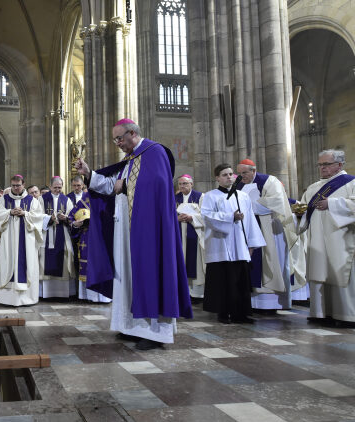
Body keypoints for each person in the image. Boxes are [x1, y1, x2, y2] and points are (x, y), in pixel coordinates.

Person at [75, 118, 192, 350]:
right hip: (126, 230)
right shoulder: (130, 160)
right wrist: (89, 173)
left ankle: (155, 332)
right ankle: (132, 326)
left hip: (148, 231)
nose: (117, 143)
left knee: (150, 273)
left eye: (119, 138)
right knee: (127, 277)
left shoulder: (154, 152)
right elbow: (111, 186)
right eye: (114, 139)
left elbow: (157, 184)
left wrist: (126, 185)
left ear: (132, 133)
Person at [295, 150, 355, 326]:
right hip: (318, 241)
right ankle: (321, 313)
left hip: (341, 239)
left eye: (326, 164)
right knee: (319, 272)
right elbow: (307, 211)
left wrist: (332, 203)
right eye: (320, 165)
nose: (322, 168)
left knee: (339, 274)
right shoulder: (314, 187)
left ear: (339, 165)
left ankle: (345, 316)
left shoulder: (351, 183)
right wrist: (300, 213)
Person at [201, 164, 266, 324]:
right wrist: (231, 217)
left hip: (240, 246)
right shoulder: (211, 196)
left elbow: (250, 220)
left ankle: (241, 314)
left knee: (240, 280)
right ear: (217, 178)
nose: (229, 177)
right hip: (220, 244)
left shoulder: (242, 196)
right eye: (224, 175)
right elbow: (207, 217)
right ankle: (223, 313)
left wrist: (251, 244)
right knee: (223, 279)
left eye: (231, 174)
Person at [237, 159, 298, 311]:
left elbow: (277, 201)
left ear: (253, 170)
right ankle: (252, 302)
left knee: (270, 261)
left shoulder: (269, 181)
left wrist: (249, 206)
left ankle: (272, 302)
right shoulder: (239, 185)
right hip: (248, 229)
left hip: (269, 229)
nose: (241, 176)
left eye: (244, 172)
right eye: (239, 173)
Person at [0, 174, 44, 306]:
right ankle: (7, 298)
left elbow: (38, 217)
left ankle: (27, 298)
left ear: (23, 185)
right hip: (8, 240)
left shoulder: (32, 201)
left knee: (26, 263)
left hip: (27, 239)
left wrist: (24, 213)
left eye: (18, 185)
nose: (15, 188)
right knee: (7, 261)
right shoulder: (3, 200)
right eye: (13, 185)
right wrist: (9, 212)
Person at [68, 191, 111, 303]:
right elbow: (71, 217)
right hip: (87, 236)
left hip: (103, 236)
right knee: (88, 263)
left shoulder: (108, 196)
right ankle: (88, 296)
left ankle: (104, 297)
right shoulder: (85, 198)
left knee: (101, 263)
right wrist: (75, 224)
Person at [39, 176, 76, 298]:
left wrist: (65, 218)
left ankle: (62, 294)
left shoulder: (67, 200)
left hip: (62, 233)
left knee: (64, 256)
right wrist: (49, 218)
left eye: (60, 187)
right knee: (44, 258)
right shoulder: (42, 199)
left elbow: (72, 217)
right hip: (46, 234)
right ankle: (45, 293)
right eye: (55, 187)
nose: (57, 190)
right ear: (50, 187)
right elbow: (37, 216)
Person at [175, 174, 206, 302]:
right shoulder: (174, 197)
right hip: (179, 234)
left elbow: (206, 215)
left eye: (185, 183)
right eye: (180, 184)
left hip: (195, 234)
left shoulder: (200, 197)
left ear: (191, 184)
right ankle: (183, 292)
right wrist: (176, 219)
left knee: (196, 263)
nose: (182, 186)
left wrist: (192, 218)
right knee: (181, 261)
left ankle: (197, 294)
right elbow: (167, 215)